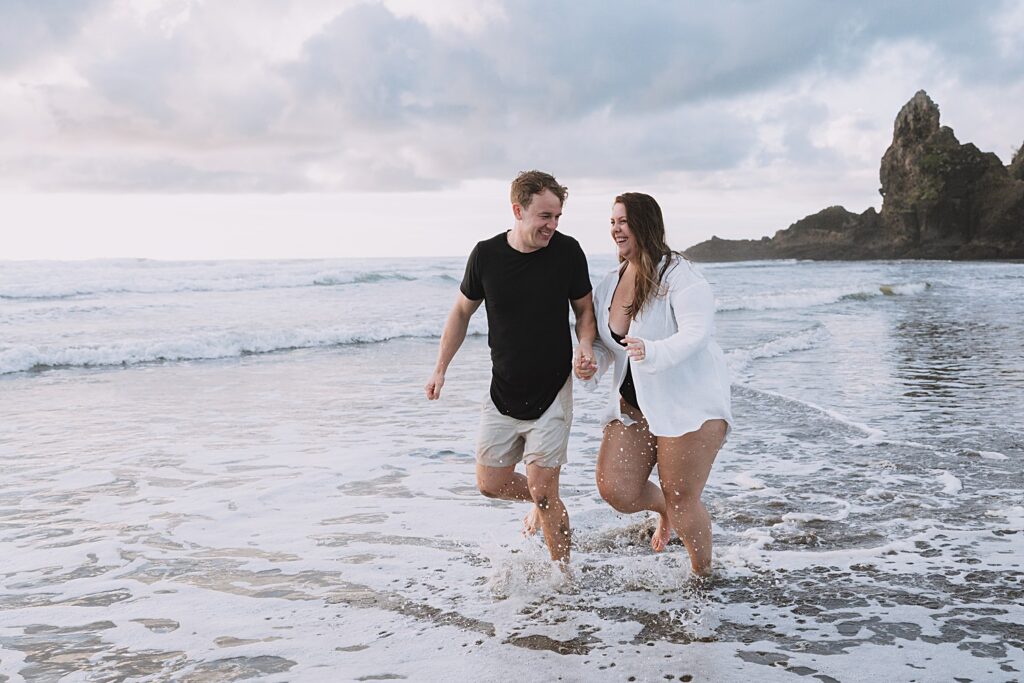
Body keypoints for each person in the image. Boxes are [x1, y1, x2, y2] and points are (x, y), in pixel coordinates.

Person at [425, 170, 596, 565]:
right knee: (490, 483)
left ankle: (563, 579)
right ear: (518, 210)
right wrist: (440, 369)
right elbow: (461, 313)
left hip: (552, 389)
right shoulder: (486, 255)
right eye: (545, 216)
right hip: (502, 389)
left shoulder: (568, 252)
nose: (552, 225)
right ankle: (542, 498)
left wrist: (585, 345)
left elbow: (584, 310)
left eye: (557, 217)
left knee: (544, 491)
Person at [575, 192, 731, 577]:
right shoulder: (611, 282)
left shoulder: (679, 275)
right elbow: (608, 343)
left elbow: (697, 332)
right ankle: (664, 510)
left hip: (688, 404)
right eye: (612, 222)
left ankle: (703, 576)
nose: (616, 229)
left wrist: (654, 350)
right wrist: (589, 361)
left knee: (682, 496)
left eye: (623, 221)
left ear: (644, 224)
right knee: (616, 488)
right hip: (635, 405)